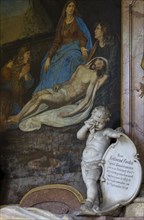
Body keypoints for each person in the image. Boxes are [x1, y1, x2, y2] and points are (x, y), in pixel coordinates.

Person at [7, 57, 108, 125]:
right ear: (95, 60)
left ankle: (18, 118)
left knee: (41, 98)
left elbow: (86, 99)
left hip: (65, 98)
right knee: (37, 95)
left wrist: (70, 114)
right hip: (60, 90)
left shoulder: (94, 76)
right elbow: (69, 81)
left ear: (102, 68)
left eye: (102, 64)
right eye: (99, 61)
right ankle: (18, 116)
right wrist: (60, 84)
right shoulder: (81, 67)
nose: (99, 64)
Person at [34, 0, 92, 93]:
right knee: (46, 62)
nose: (71, 8)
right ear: (65, 8)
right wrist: (49, 57)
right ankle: (48, 90)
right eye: (69, 6)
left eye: (73, 6)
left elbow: (82, 37)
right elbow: (57, 41)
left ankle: (63, 89)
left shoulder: (77, 21)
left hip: (74, 47)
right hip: (62, 48)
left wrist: (82, 47)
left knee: (70, 58)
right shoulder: (61, 23)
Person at [76, 106, 122, 214]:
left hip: (96, 164)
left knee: (90, 182)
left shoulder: (106, 132)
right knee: (90, 185)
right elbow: (79, 136)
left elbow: (114, 134)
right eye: (95, 120)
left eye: (100, 122)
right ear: (92, 117)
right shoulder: (90, 133)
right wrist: (86, 126)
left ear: (105, 122)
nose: (97, 124)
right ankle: (95, 206)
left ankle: (88, 203)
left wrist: (119, 132)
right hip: (84, 164)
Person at [0, 46, 34, 131]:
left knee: (17, 120)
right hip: (5, 97)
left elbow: (28, 85)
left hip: (16, 98)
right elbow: (4, 84)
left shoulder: (26, 67)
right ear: (21, 54)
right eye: (27, 54)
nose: (29, 56)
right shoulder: (10, 65)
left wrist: (26, 75)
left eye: (29, 54)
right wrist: (21, 75)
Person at [88, 20, 120, 107]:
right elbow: (91, 62)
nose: (95, 30)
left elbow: (113, 63)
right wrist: (94, 65)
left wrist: (104, 78)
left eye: (98, 28)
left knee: (98, 99)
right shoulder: (96, 45)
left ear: (104, 31)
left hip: (110, 75)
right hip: (98, 74)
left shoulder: (113, 43)